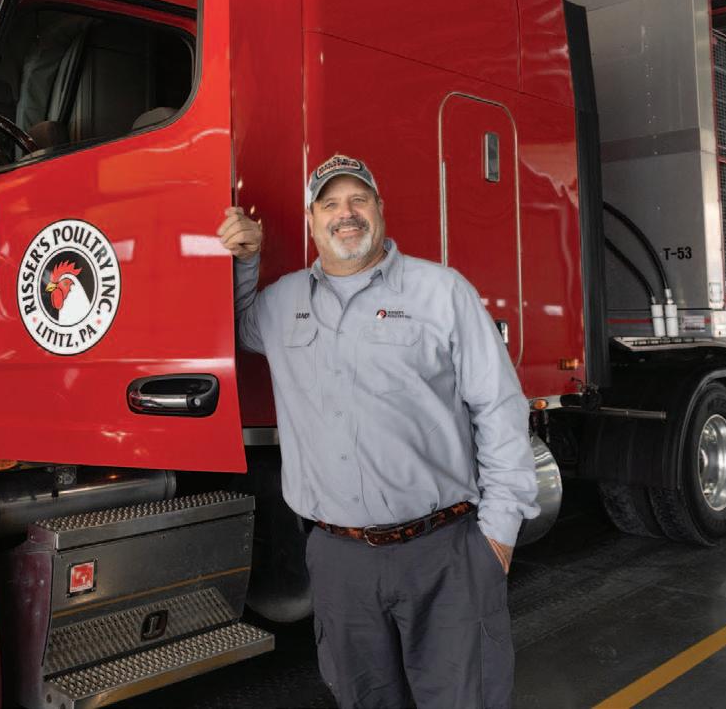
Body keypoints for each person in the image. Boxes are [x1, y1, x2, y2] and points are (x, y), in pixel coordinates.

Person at [217, 154, 538, 709]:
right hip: (339, 563)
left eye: (358, 199)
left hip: (445, 553)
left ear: (379, 209)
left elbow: (500, 408)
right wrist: (246, 260)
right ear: (312, 220)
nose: (346, 214)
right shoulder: (280, 304)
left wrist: (498, 537)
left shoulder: (442, 291)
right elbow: (228, 324)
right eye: (330, 204)